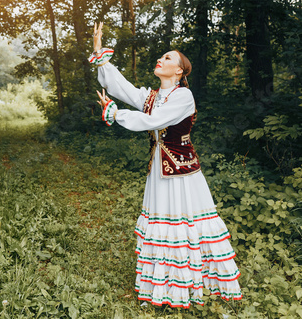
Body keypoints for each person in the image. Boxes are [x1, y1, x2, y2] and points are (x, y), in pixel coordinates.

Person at [91, 22, 242, 308]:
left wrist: (115, 113)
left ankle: (198, 286)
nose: (161, 59)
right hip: (159, 172)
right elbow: (121, 87)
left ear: (180, 71)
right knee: (163, 226)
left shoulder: (183, 96)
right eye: (161, 56)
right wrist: (101, 55)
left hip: (182, 174)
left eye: (168, 58)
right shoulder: (152, 97)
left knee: (185, 225)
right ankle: (162, 290)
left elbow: (154, 121)